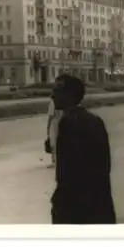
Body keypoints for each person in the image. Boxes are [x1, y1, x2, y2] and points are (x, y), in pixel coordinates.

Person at [50, 74, 116, 224]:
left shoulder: (68, 123)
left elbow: (69, 172)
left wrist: (60, 202)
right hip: (97, 202)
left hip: (77, 207)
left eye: (57, 90)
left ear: (70, 95)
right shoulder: (94, 120)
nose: (52, 95)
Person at [47, 89, 63, 169]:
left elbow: (50, 116)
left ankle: (54, 161)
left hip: (54, 123)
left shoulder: (52, 103)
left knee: (53, 143)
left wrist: (48, 126)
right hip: (61, 123)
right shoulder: (62, 103)